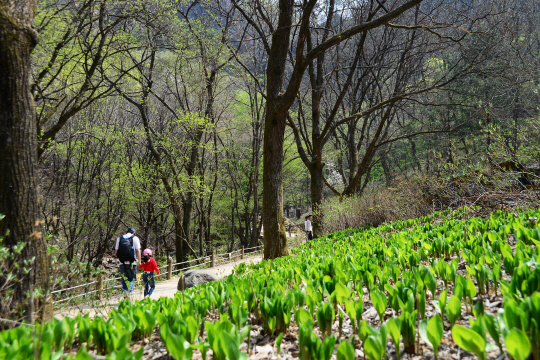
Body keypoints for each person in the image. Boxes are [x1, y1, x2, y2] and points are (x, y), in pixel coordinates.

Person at [115, 227, 141, 292]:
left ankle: (125, 293)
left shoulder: (119, 238)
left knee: (124, 280)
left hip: (122, 263)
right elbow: (138, 250)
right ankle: (127, 291)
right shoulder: (135, 238)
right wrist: (139, 262)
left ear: (126, 232)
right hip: (132, 263)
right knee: (132, 279)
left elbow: (116, 251)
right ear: (134, 233)